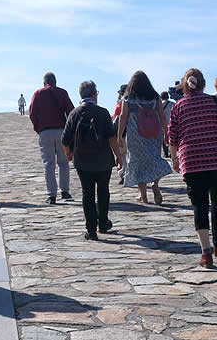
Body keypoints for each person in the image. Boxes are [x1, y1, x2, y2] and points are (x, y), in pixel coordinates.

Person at [167, 69, 217, 268]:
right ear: (203, 84)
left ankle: (206, 252)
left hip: (192, 160)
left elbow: (173, 135)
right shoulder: (215, 102)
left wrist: (174, 158)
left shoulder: (178, 106)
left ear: (184, 85)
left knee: (200, 205)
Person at [61, 81, 122, 240]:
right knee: (103, 191)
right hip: (103, 160)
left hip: (83, 161)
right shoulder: (103, 112)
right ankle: (103, 223)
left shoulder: (74, 113)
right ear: (94, 94)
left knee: (87, 194)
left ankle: (91, 230)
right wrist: (118, 156)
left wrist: (69, 154)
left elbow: (65, 139)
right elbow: (111, 138)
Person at [117, 71, 172, 205]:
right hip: (154, 134)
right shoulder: (155, 96)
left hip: (135, 135)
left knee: (137, 163)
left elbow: (123, 116)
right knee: (155, 159)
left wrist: (119, 135)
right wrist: (166, 132)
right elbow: (162, 115)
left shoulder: (128, 98)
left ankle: (143, 196)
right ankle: (155, 184)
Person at [29, 72, 76, 204]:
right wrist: (69, 131)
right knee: (63, 163)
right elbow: (71, 112)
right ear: (55, 81)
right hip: (61, 131)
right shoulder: (62, 92)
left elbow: (32, 113)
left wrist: (38, 129)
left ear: (44, 82)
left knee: (49, 165)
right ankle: (65, 191)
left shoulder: (38, 93)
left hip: (45, 132)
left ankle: (52, 195)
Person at [160, 91, 175, 158]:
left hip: (163, 125)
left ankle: (166, 154)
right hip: (172, 124)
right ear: (168, 96)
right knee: (172, 139)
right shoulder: (173, 104)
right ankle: (172, 154)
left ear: (161, 97)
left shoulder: (160, 105)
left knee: (164, 139)